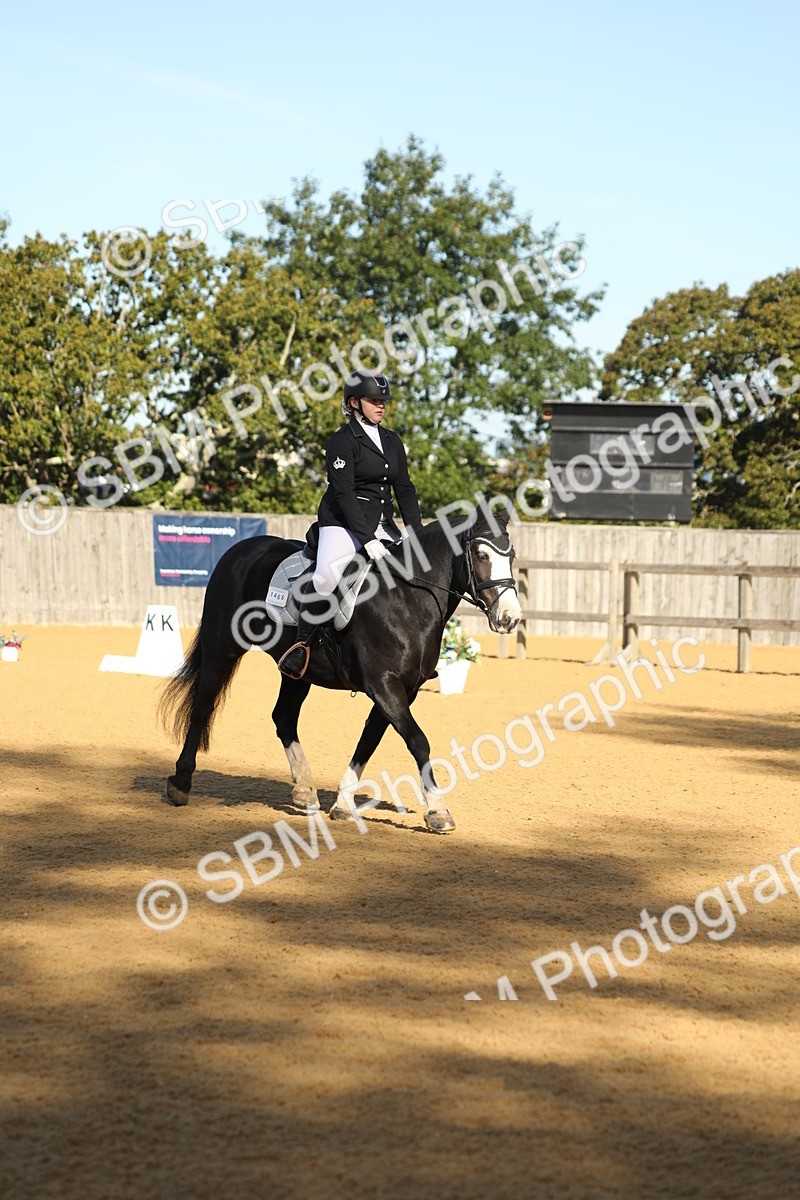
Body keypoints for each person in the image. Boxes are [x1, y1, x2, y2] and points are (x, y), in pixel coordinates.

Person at [278, 370, 423, 679]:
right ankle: (301, 646)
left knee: (415, 573)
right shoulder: (342, 441)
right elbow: (344, 494)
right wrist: (367, 537)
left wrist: (417, 531)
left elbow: (405, 489)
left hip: (383, 522)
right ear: (354, 403)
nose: (381, 406)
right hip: (342, 523)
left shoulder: (391, 440)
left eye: (383, 401)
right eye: (373, 400)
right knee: (325, 579)